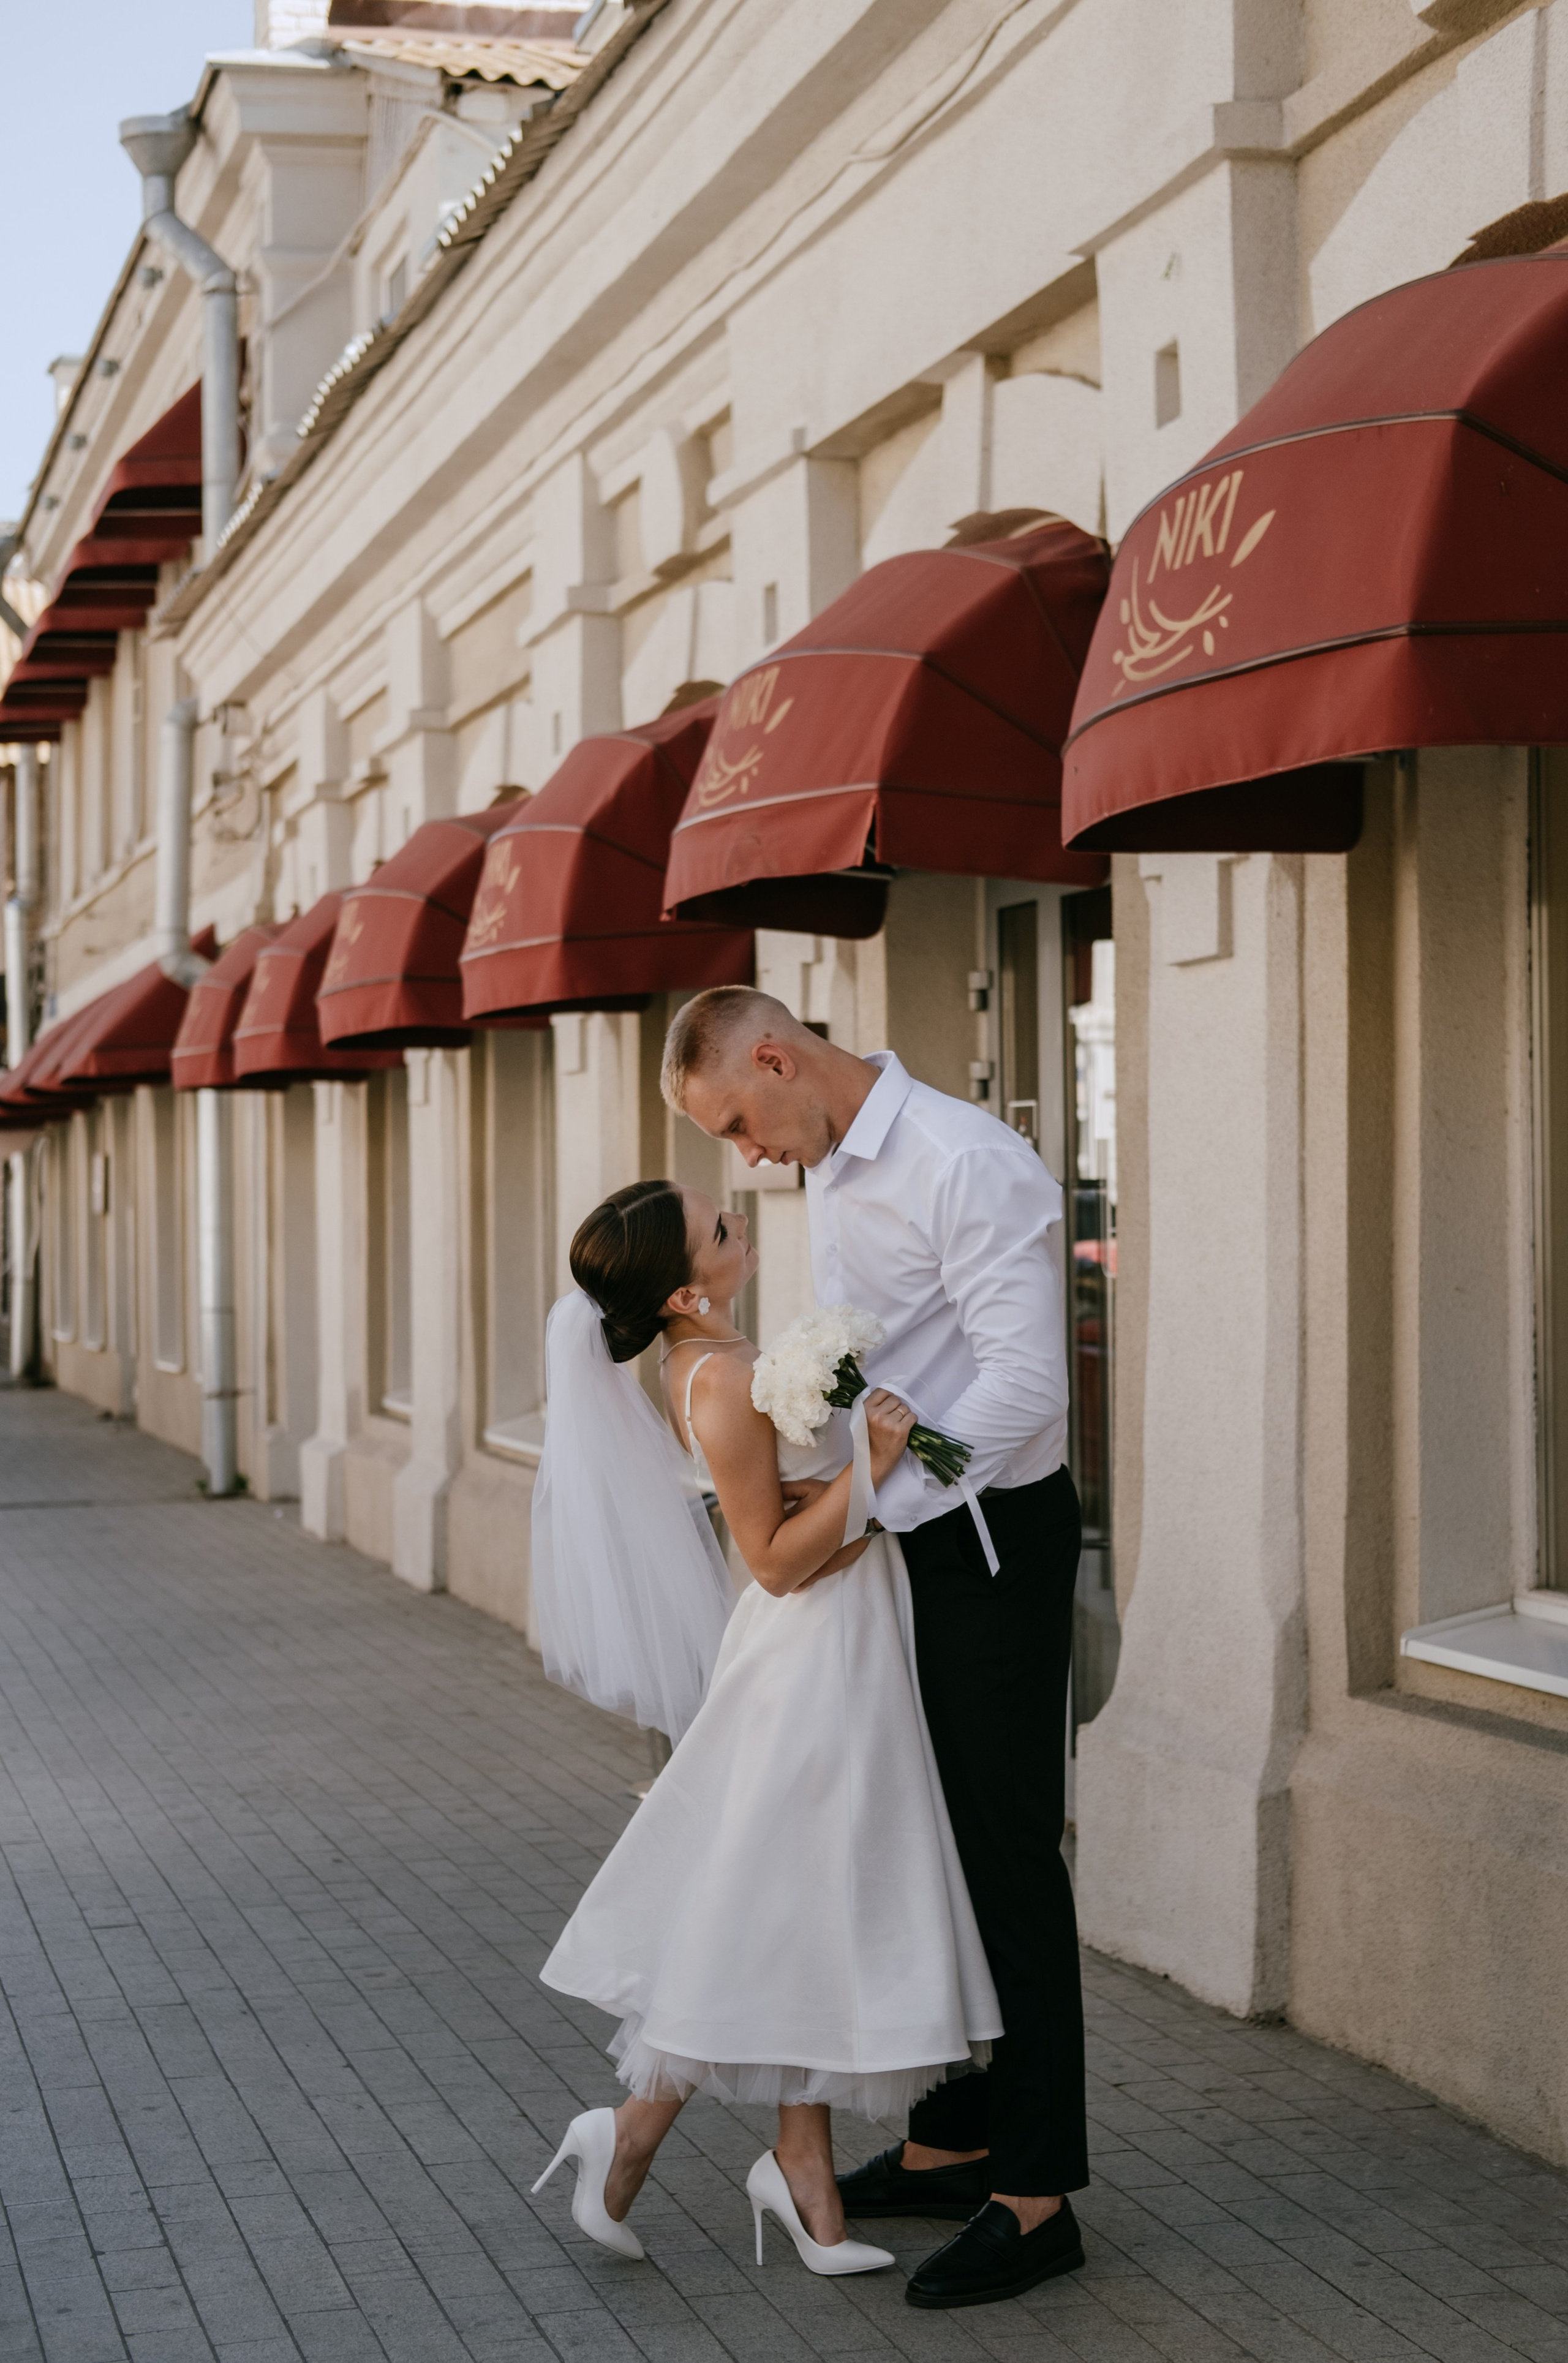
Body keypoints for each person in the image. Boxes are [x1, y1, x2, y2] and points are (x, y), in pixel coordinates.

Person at [665, 985, 1088, 2312]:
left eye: (739, 1117)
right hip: (911, 1539)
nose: (744, 1156)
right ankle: (956, 2138)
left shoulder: (967, 1163)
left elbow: (1023, 1391)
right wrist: (837, 1494)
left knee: (1005, 1853)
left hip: (994, 1541)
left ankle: (1035, 2197)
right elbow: (880, 1376)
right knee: (930, 1843)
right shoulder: (834, 1173)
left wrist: (860, 1512)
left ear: (779, 1059)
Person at [531, 1178, 1001, 2282]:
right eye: (722, 1225)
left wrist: (858, 1473)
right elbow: (778, 1561)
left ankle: (790, 2160)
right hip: (815, 1658)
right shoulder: (727, 1376)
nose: (741, 1220)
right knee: (770, 1893)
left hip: (850, 1641)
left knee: (799, 1897)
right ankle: (651, 2140)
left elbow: (805, 1528)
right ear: (690, 1286)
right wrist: (875, 1471)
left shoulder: (715, 1357)